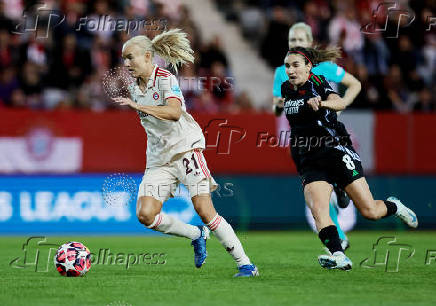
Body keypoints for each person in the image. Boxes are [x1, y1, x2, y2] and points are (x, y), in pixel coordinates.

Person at [112, 29, 258, 277]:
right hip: (159, 160)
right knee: (145, 215)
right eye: (124, 59)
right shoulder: (135, 88)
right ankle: (196, 234)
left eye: (131, 57)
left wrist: (138, 106)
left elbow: (174, 113)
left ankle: (246, 264)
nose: (126, 64)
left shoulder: (165, 79)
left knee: (204, 209)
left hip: (185, 150)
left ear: (148, 56)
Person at [281, 46, 418, 270]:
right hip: (308, 158)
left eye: (295, 65)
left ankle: (394, 205)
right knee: (318, 210)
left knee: (370, 211)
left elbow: (340, 103)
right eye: (287, 66)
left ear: (308, 67)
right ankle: (339, 255)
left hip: (335, 149)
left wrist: (322, 103)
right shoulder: (287, 88)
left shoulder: (318, 82)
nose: (290, 70)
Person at [273, 22, 362, 249]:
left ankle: (341, 188)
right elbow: (276, 106)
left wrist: (340, 106)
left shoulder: (326, 67)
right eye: (292, 40)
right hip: (303, 137)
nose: (295, 44)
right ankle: (338, 237)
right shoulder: (282, 72)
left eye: (300, 40)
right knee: (317, 190)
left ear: (310, 42)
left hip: (330, 133)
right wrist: (278, 105)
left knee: (330, 179)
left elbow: (354, 84)